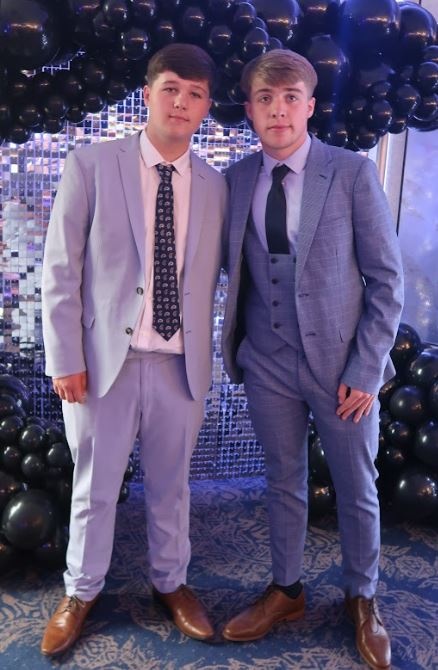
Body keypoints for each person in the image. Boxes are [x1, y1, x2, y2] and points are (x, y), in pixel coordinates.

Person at [40, 43, 227, 656]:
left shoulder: (216, 186)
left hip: (180, 366)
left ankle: (171, 583)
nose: (182, 102)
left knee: (173, 487)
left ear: (206, 107)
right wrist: (65, 358)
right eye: (171, 88)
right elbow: (60, 270)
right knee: (94, 489)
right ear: (147, 95)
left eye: (195, 94)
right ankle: (80, 591)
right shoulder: (92, 164)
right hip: (103, 366)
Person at [221, 49, 403, 670]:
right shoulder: (235, 179)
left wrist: (366, 369)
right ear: (250, 111)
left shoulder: (351, 173)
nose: (278, 110)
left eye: (290, 98)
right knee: (282, 480)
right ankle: (286, 590)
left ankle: (363, 597)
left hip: (341, 366)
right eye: (265, 100)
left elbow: (387, 281)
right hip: (266, 361)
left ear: (310, 106)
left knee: (356, 486)